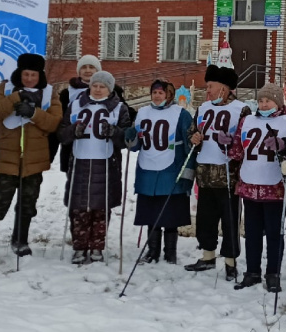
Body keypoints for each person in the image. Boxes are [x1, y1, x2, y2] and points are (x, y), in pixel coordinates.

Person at [0, 53, 62, 260]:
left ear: (39, 75)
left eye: (33, 75)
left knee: (28, 202)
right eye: (25, 74)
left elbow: (53, 122)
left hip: (35, 159)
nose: (29, 78)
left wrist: (33, 113)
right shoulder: (5, 88)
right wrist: (16, 98)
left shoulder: (49, 93)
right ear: (19, 73)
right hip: (9, 157)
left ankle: (20, 240)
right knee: (0, 200)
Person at [227, 83, 286, 293]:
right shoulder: (247, 120)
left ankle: (273, 273)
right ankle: (252, 272)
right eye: (260, 100)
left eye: (268, 100)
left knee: (273, 233)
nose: (263, 104)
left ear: (277, 102)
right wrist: (226, 144)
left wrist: (284, 147)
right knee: (251, 232)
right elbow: (237, 151)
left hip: (275, 188)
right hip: (250, 185)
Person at [184, 64, 248, 280]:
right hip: (205, 172)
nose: (207, 90)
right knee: (205, 218)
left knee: (230, 220)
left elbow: (246, 139)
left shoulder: (241, 109)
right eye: (207, 86)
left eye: (211, 86)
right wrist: (193, 137)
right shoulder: (203, 108)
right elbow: (192, 130)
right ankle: (207, 255)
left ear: (225, 87)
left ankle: (230, 261)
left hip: (228, 174)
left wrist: (233, 143)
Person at [61, 71, 131, 264]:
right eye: (95, 85)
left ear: (109, 89)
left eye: (103, 86)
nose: (98, 90)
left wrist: (115, 132)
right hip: (80, 162)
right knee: (79, 207)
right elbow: (62, 134)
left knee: (101, 208)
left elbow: (127, 138)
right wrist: (73, 131)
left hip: (106, 162)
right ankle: (79, 247)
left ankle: (97, 247)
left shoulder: (118, 107)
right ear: (90, 86)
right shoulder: (76, 104)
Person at [125, 80, 195, 264]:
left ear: (169, 95)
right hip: (147, 172)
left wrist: (188, 172)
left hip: (171, 171)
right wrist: (130, 137)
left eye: (161, 93)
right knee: (151, 215)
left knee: (170, 215)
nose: (157, 96)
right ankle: (152, 250)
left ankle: (170, 252)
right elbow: (135, 146)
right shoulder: (142, 113)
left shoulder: (181, 114)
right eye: (154, 92)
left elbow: (190, 144)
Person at [49, 54, 102, 168]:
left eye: (91, 67)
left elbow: (124, 114)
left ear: (97, 70)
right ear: (79, 71)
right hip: (73, 149)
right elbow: (59, 122)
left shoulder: (109, 91)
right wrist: (49, 154)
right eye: (84, 67)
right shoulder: (67, 94)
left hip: (101, 148)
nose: (87, 70)